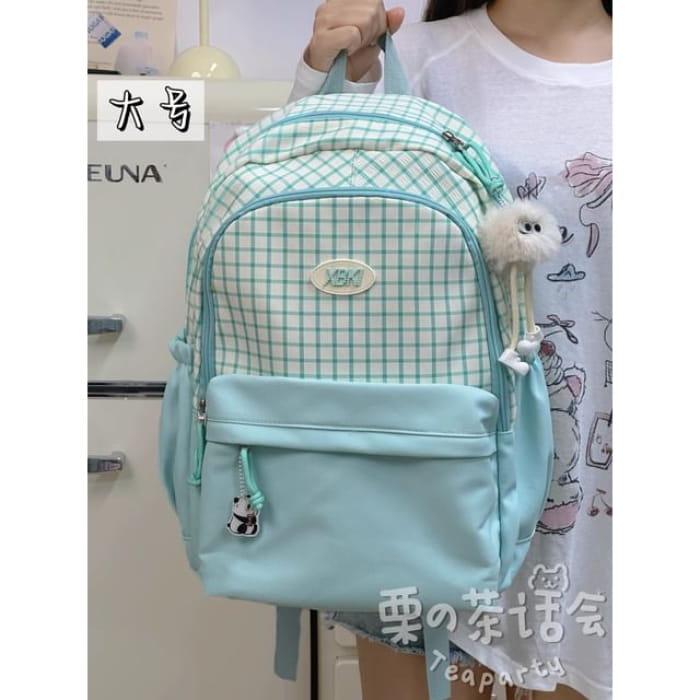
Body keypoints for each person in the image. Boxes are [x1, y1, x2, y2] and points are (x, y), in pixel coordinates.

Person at [288, 1, 612, 699]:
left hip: (600, 515)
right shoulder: (413, 61)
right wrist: (327, 78)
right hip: (427, 488)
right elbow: (302, 226)